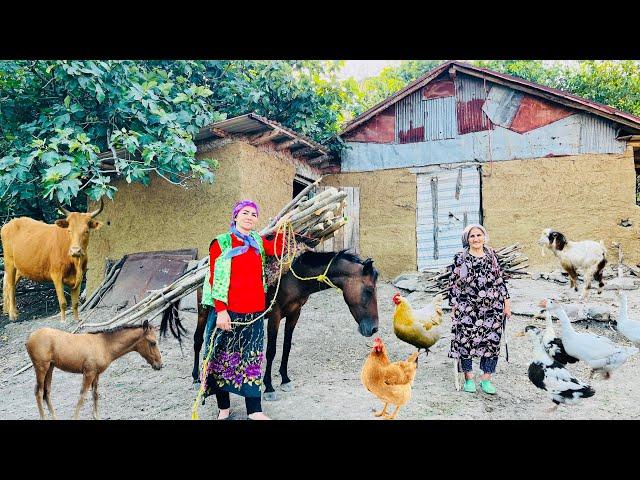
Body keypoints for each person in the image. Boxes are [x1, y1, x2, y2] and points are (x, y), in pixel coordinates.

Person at [201, 200, 289, 420]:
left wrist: (283, 227)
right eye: (245, 213)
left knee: (252, 360)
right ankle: (224, 408)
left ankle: (254, 410)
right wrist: (221, 311)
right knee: (221, 360)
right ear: (236, 216)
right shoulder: (221, 242)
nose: (250, 217)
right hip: (228, 313)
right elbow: (216, 278)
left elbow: (278, 249)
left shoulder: (257, 241)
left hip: (255, 313)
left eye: (254, 214)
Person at [447, 224, 511, 395]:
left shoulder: (491, 255)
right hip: (467, 307)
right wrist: (454, 307)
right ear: (467, 240)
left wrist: (506, 304)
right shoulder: (460, 258)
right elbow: (453, 284)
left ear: (484, 237)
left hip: (491, 307)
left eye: (478, 235)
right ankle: (469, 378)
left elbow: (499, 280)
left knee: (491, 342)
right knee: (465, 342)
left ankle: (486, 380)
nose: (476, 239)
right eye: (472, 236)